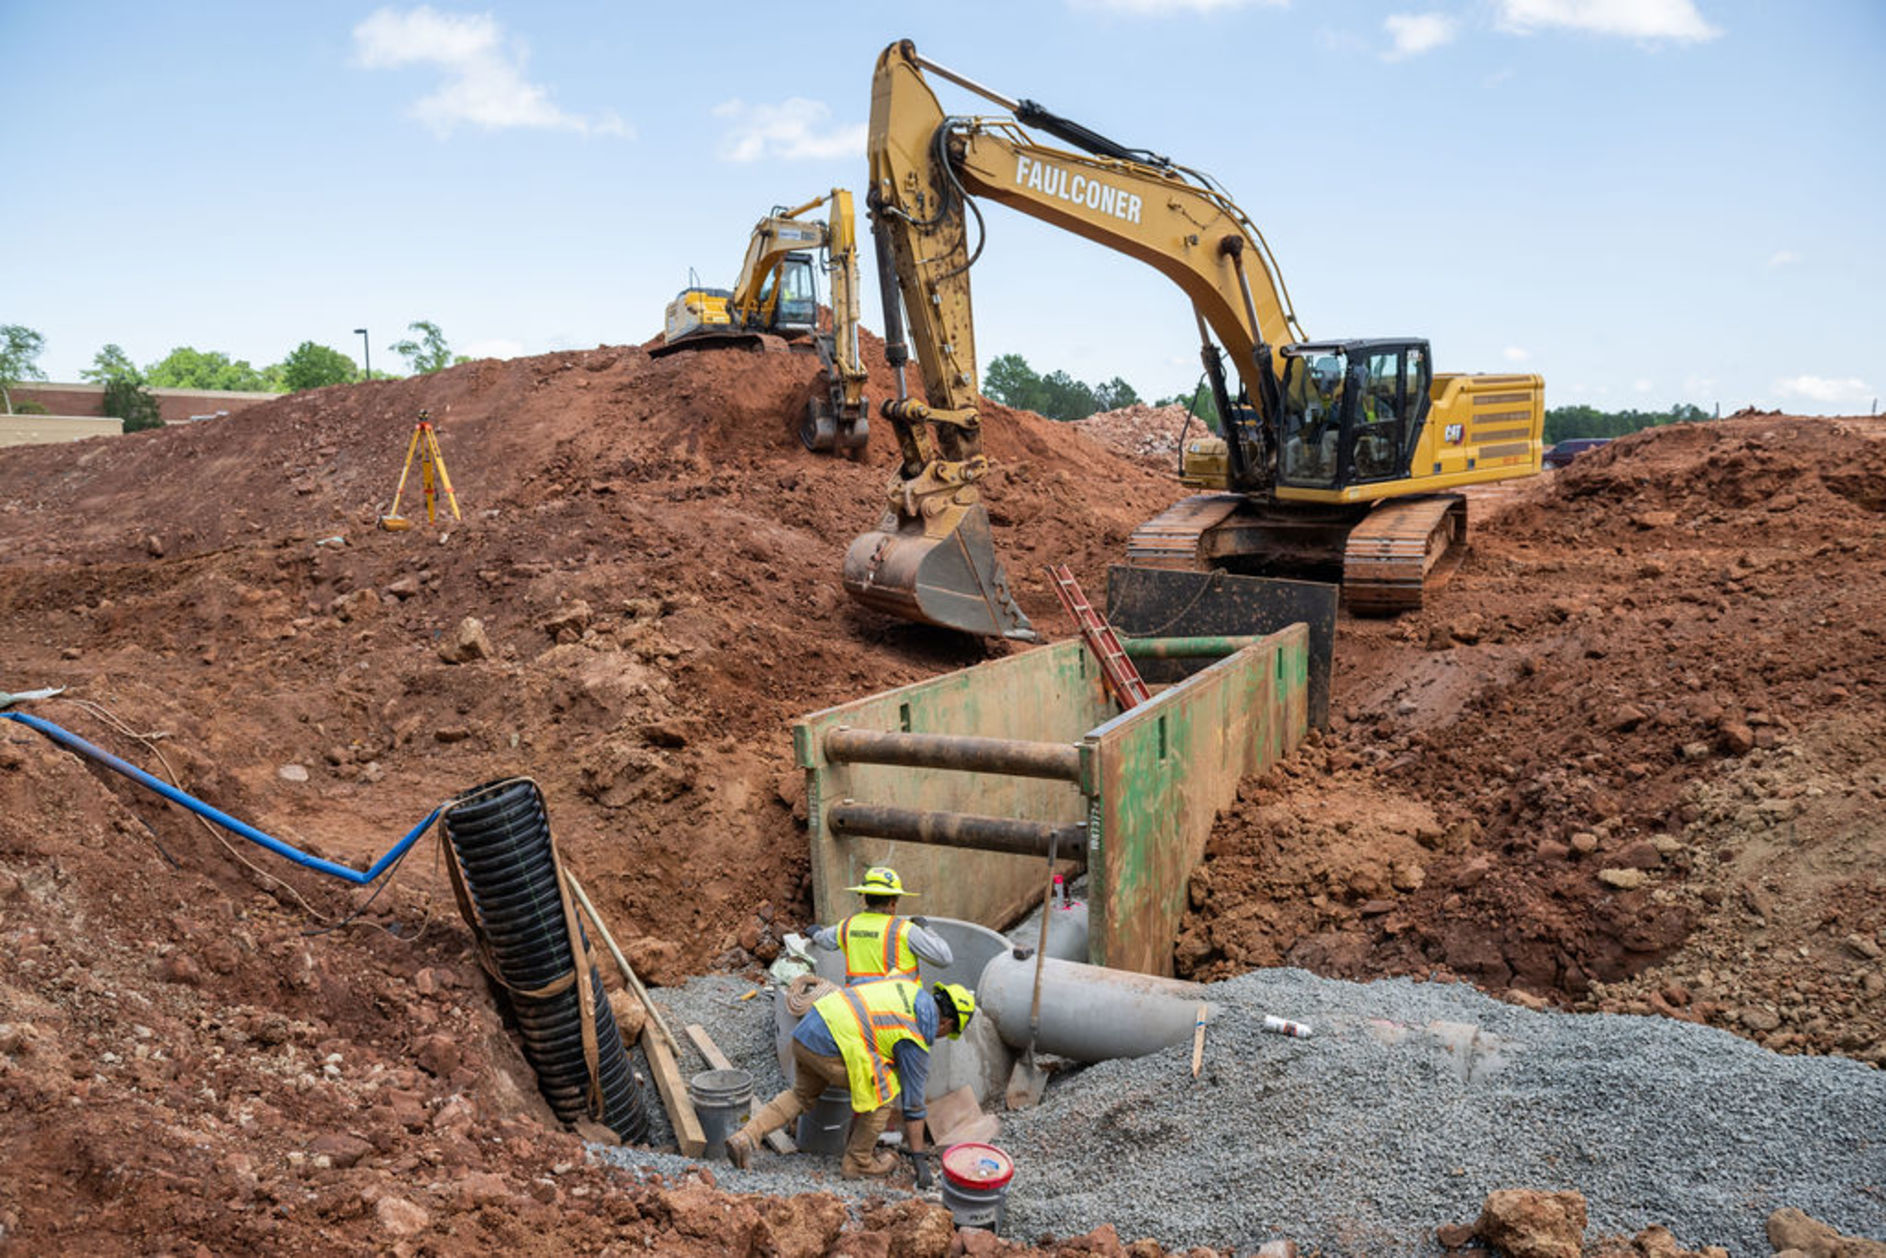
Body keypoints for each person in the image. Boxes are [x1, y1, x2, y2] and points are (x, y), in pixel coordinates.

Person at [725, 979, 976, 1179]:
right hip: (829, 1044)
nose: (942, 1037)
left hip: (808, 1028)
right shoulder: (914, 1038)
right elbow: (913, 1104)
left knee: (801, 1095)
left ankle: (745, 1137)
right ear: (946, 1023)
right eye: (948, 1033)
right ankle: (858, 1162)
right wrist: (919, 1158)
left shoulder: (908, 988)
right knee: (884, 1094)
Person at [812, 865, 953, 983]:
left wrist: (815, 933)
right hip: (900, 1011)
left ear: (866, 898)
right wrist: (926, 928)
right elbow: (944, 958)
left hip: (860, 1009)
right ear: (892, 903)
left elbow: (824, 941)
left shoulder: (847, 926)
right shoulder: (904, 930)